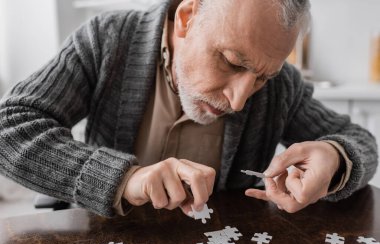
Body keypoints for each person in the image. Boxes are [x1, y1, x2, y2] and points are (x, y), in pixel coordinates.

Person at [0, 0, 377, 218]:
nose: (239, 100)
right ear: (187, 18)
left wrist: (335, 157)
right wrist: (124, 179)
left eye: (262, 77)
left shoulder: (281, 87)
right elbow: (10, 128)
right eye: (231, 62)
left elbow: (359, 141)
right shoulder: (105, 41)